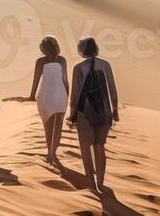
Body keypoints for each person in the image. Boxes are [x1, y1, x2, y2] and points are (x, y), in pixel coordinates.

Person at [70, 37, 119, 194]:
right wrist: (115, 110)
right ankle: (101, 182)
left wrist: (72, 115)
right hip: (103, 111)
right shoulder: (105, 65)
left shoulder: (78, 68)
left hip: (84, 112)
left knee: (85, 148)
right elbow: (112, 88)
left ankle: (91, 181)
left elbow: (75, 94)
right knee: (100, 146)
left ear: (81, 50)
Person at [24, 36, 70, 165]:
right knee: (58, 126)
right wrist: (68, 96)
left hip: (45, 95)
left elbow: (36, 80)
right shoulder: (62, 60)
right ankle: (53, 152)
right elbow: (65, 80)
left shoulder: (40, 61)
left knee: (48, 126)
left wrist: (31, 95)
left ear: (44, 49)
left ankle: (50, 152)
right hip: (60, 95)